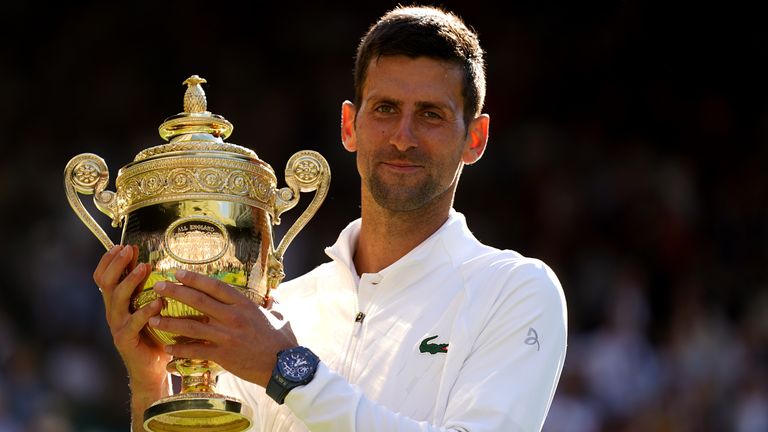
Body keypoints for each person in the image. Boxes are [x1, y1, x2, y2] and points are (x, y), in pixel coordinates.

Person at [93, 5, 568, 431]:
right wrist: (152, 384)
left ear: (476, 139)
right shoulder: (273, 311)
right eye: (385, 109)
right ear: (349, 126)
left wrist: (287, 371)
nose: (403, 137)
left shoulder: (516, 291)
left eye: (431, 115)